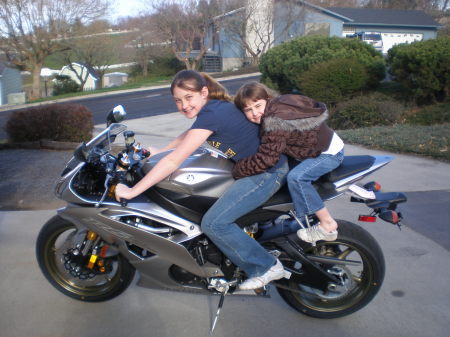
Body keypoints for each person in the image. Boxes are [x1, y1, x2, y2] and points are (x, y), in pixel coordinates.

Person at [115, 70, 290, 290]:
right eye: (178, 101)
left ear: (204, 92)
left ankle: (265, 266)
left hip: (267, 173)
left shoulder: (212, 114)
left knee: (214, 223)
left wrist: (132, 191)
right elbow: (189, 136)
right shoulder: (213, 110)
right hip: (259, 169)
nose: (184, 105)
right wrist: (160, 151)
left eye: (189, 98)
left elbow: (173, 162)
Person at [233, 82, 344, 244]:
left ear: (268, 100)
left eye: (257, 106)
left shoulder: (275, 120)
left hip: (328, 153)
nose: (255, 113)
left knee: (297, 178)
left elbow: (267, 158)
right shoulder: (277, 106)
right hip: (314, 148)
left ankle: (327, 224)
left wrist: (238, 170)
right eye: (248, 110)